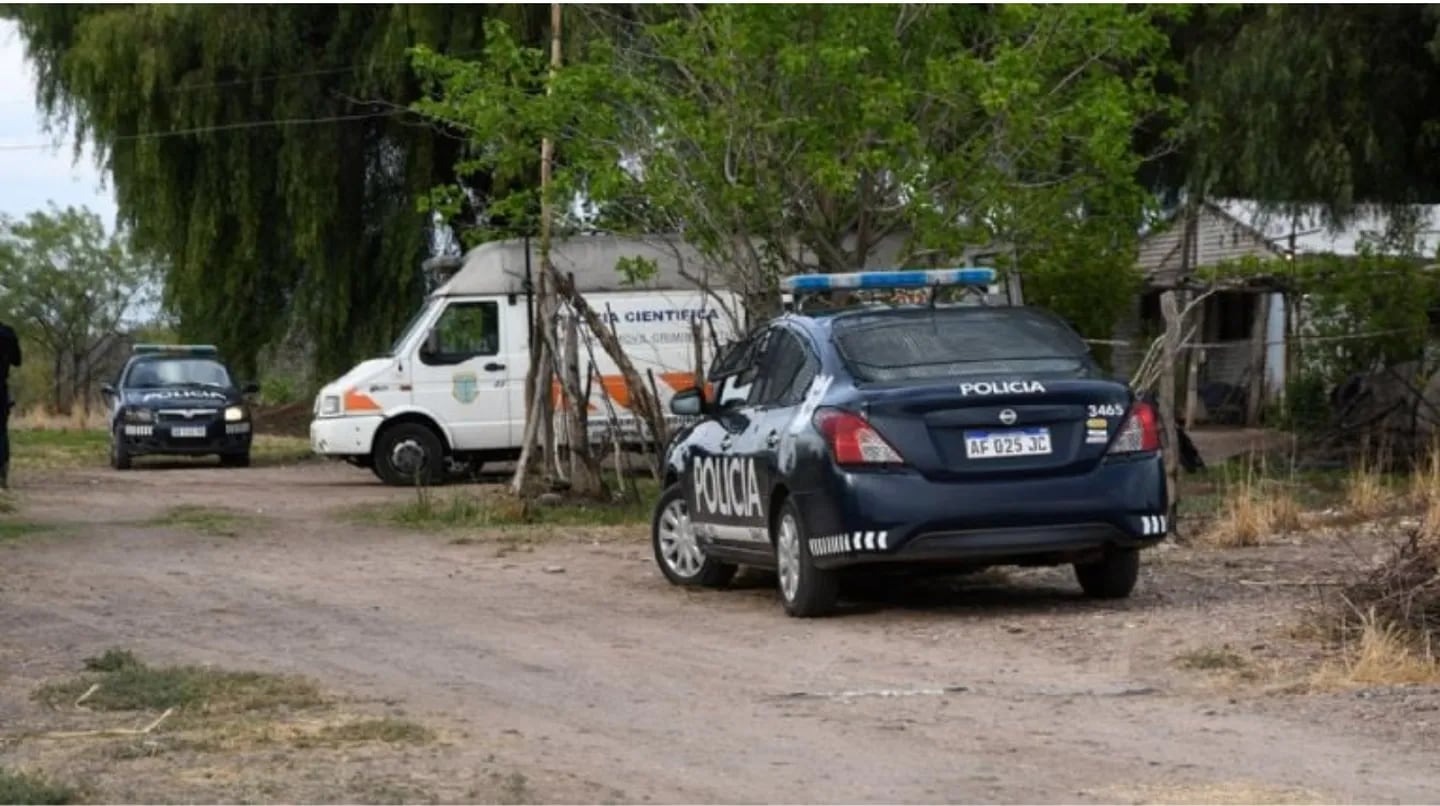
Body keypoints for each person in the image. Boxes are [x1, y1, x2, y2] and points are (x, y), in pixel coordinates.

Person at [0, 319, 21, 490]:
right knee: (1, 431)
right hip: (1, 388)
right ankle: (2, 473)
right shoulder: (8, 333)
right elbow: (17, 360)